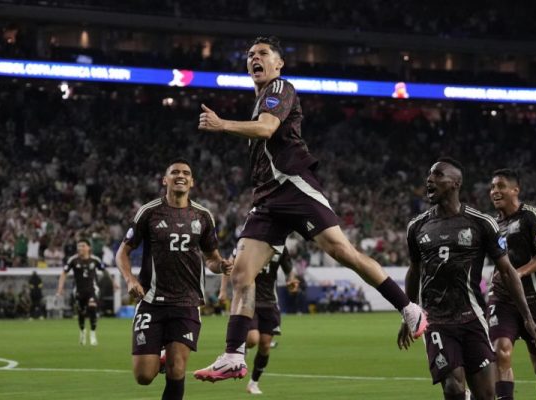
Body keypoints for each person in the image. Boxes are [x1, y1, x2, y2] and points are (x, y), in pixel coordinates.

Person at [194, 35, 427, 383]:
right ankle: (233, 355)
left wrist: (222, 124)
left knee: (342, 251)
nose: (254, 58)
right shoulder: (260, 98)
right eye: (249, 55)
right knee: (242, 274)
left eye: (262, 54)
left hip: (294, 185)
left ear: (278, 63)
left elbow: (267, 129)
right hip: (267, 199)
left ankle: (409, 308)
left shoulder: (280, 88)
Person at [397, 158, 536, 400]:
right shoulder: (417, 226)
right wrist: (408, 313)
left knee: (487, 395)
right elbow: (414, 271)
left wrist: (527, 318)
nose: (429, 179)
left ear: (455, 183)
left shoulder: (481, 223)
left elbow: (507, 271)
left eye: (437, 175)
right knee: (454, 388)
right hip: (437, 320)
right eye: (429, 174)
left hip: (473, 318)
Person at [115, 159, 233, 400]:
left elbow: (211, 258)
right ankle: (158, 356)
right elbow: (122, 252)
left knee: (177, 368)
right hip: (151, 301)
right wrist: (130, 280)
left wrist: (220, 266)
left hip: (186, 303)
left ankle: (168, 357)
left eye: (186, 173)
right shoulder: (149, 212)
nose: (181, 175)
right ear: (165, 180)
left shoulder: (202, 215)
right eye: (175, 172)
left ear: (192, 182)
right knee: (144, 376)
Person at [487, 169, 536, 400]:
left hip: (533, 297)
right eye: (493, 187)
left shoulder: (531, 215)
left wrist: (518, 273)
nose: (495, 191)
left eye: (501, 186)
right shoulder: (492, 224)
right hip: (502, 298)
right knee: (501, 351)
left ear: (515, 190)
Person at [219, 247, 299, 395]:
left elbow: (290, 270)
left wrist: (291, 281)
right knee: (252, 338)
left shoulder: (280, 248)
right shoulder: (249, 242)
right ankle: (245, 347)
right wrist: (223, 290)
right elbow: (228, 265)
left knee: (265, 345)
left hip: (270, 302)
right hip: (249, 299)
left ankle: (253, 383)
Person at [56, 238, 104, 346]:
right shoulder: (73, 260)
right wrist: (60, 288)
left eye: (82, 246)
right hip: (78, 291)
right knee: (81, 313)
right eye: (79, 246)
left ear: (88, 247)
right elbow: (64, 273)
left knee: (92, 306)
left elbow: (105, 271)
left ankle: (92, 334)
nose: (80, 248)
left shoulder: (95, 260)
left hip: (92, 289)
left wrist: (114, 283)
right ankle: (82, 332)